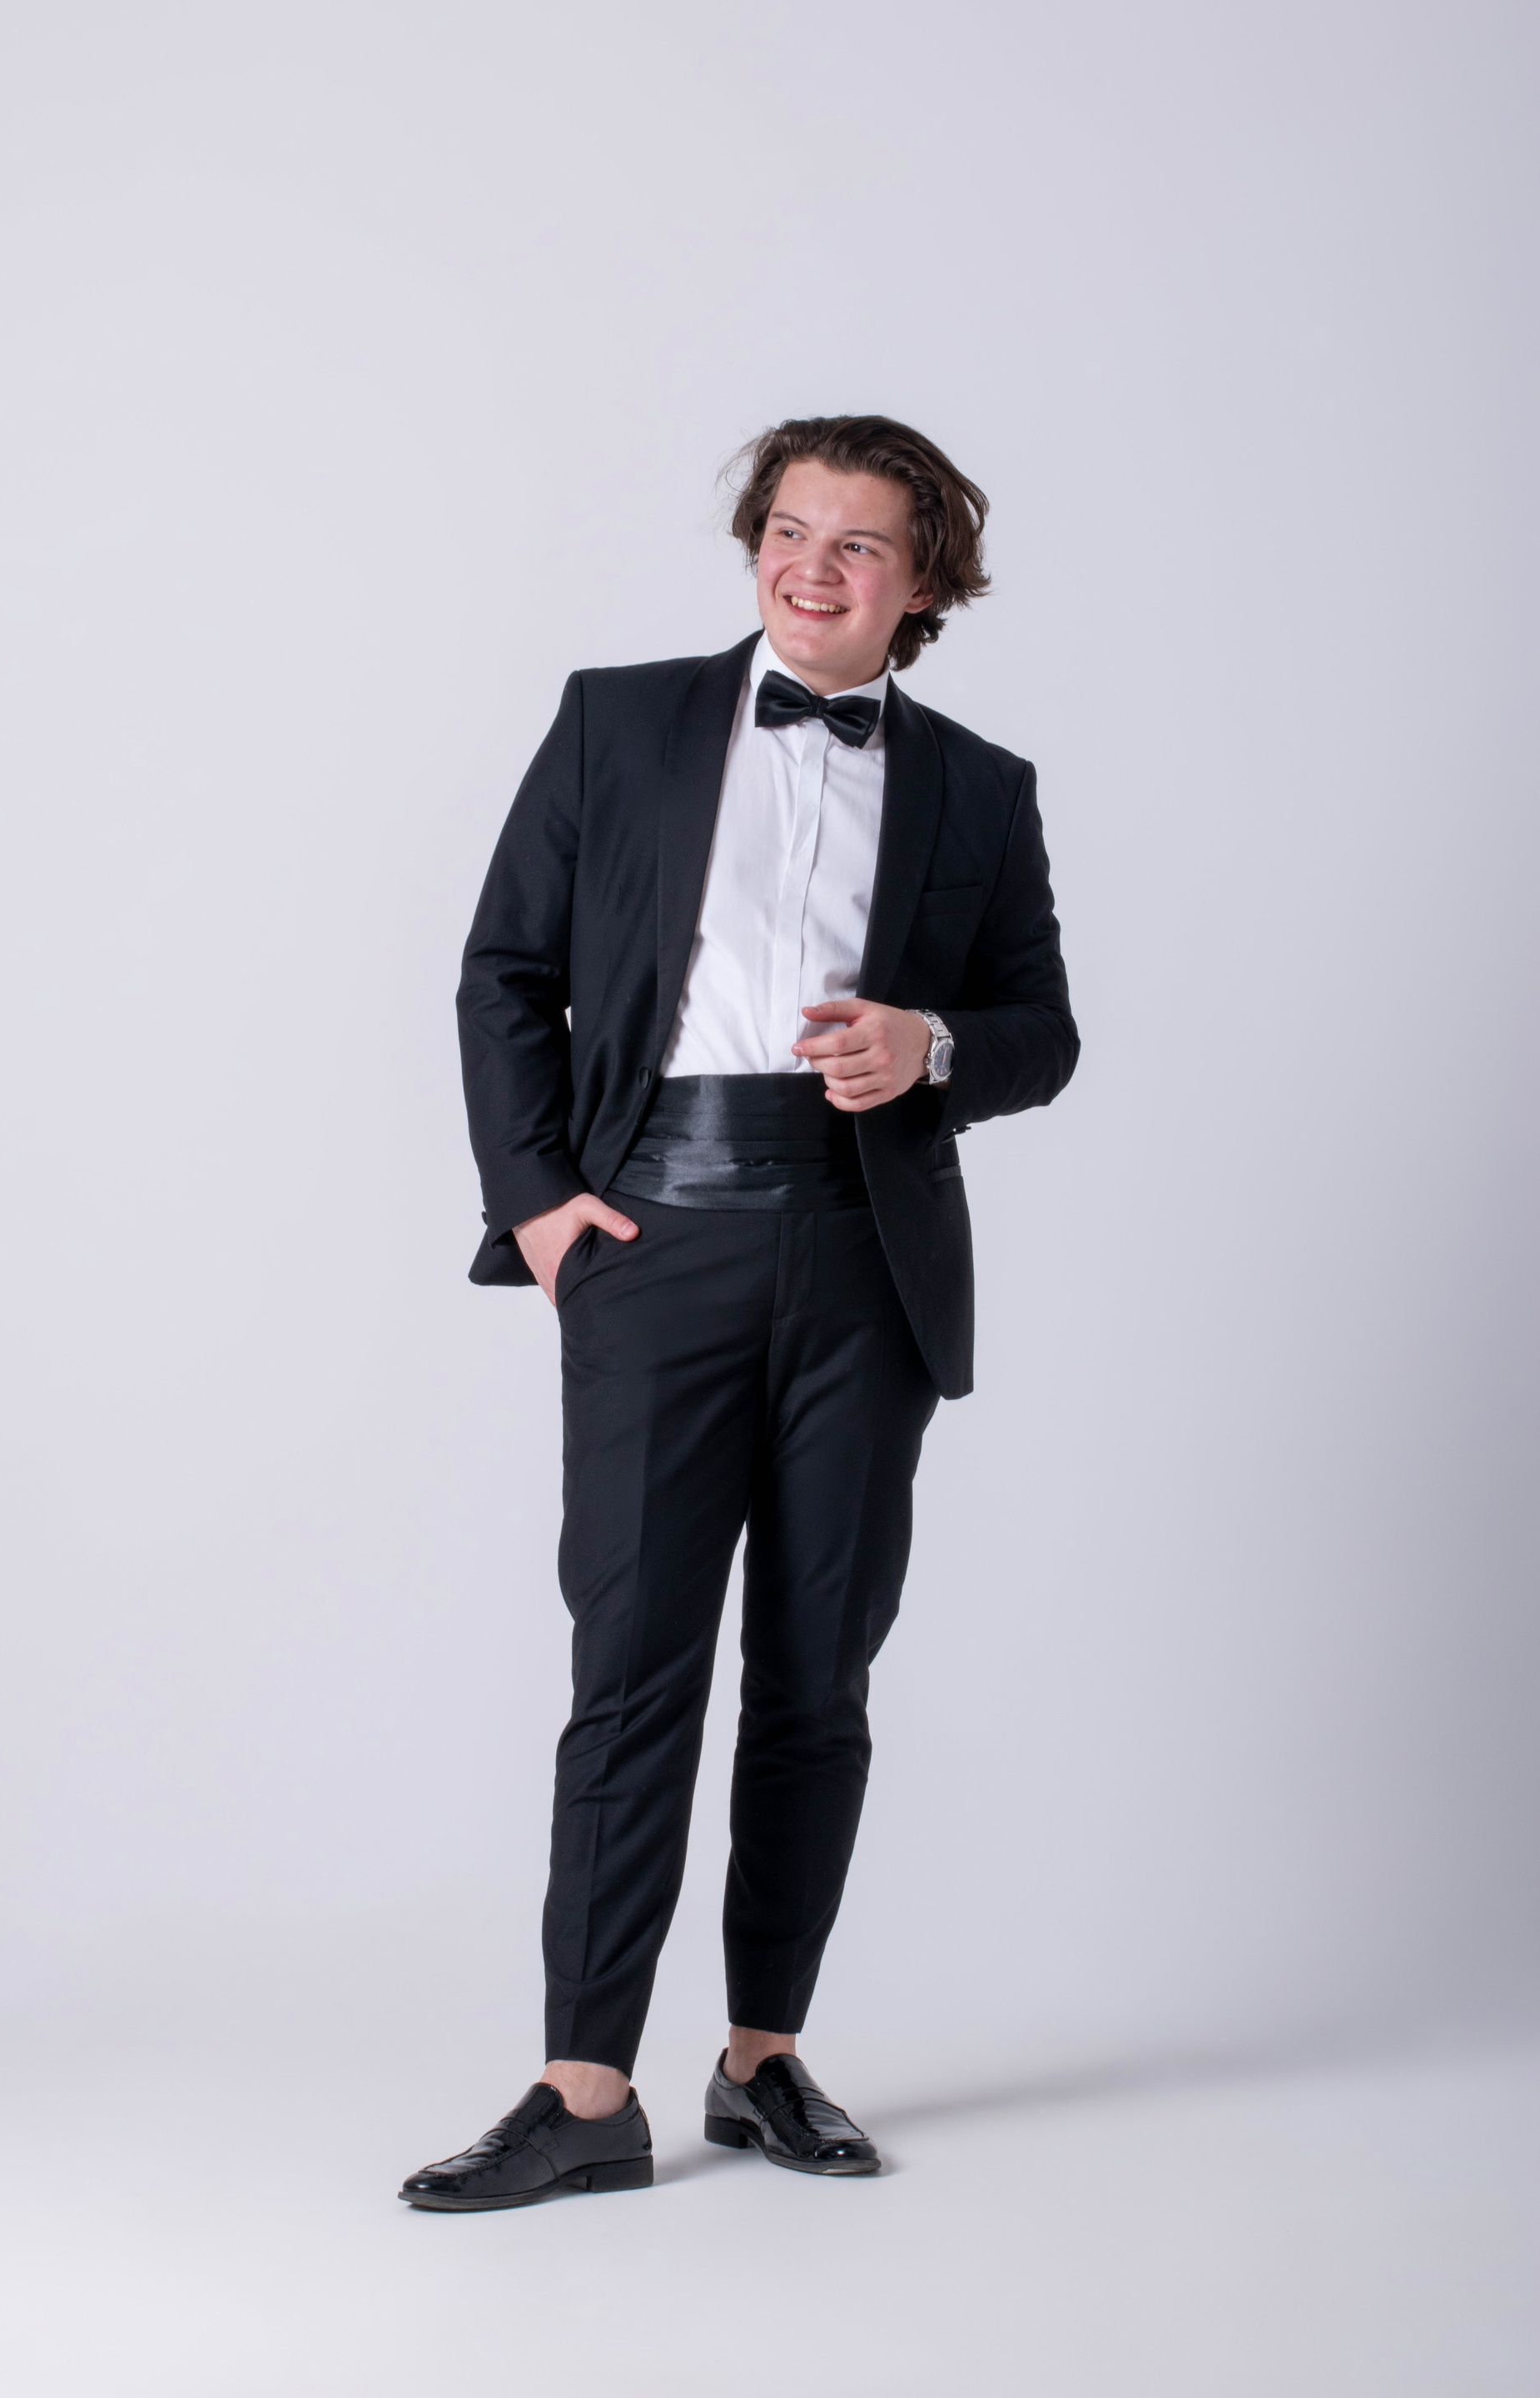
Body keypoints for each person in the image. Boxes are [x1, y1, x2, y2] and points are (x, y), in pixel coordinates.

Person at [400, 414, 1079, 2211]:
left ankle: (763, 2061)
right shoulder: (617, 722)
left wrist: (935, 1046)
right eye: (789, 529)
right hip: (653, 1242)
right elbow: (503, 969)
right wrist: (542, 1206)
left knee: (817, 1673)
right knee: (631, 1673)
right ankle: (584, 2092)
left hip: (867, 1261)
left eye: (858, 545)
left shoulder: (981, 787)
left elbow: (1045, 1030)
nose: (809, 567)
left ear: (923, 587)